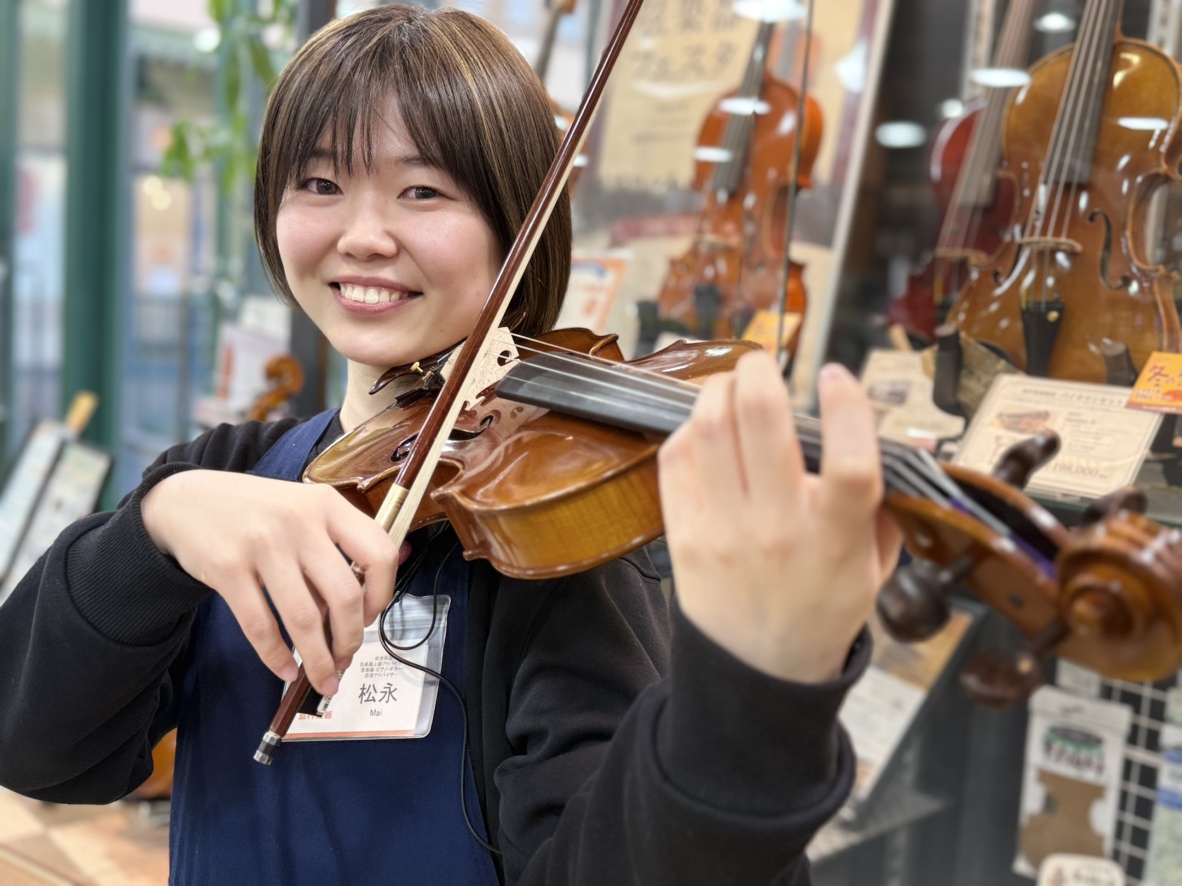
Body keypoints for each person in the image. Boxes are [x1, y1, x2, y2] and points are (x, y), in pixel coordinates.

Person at [0, 5, 901, 885]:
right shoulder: (229, 475)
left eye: (422, 190)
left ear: (518, 226)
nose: (362, 235)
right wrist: (156, 524)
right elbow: (36, 748)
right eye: (319, 184)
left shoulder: (551, 551)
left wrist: (759, 689)